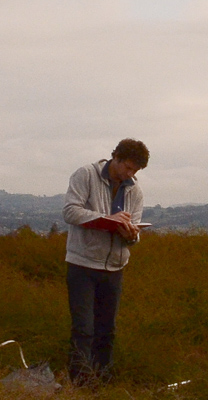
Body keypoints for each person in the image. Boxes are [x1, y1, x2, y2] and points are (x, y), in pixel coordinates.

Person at [61, 139, 148, 385]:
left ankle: (102, 382)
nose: (131, 174)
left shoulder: (135, 190)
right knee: (83, 329)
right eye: (128, 168)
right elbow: (70, 211)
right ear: (116, 158)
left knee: (107, 330)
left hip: (115, 267)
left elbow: (135, 228)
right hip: (83, 265)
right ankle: (78, 383)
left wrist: (132, 235)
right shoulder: (86, 174)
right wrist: (106, 219)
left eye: (135, 171)